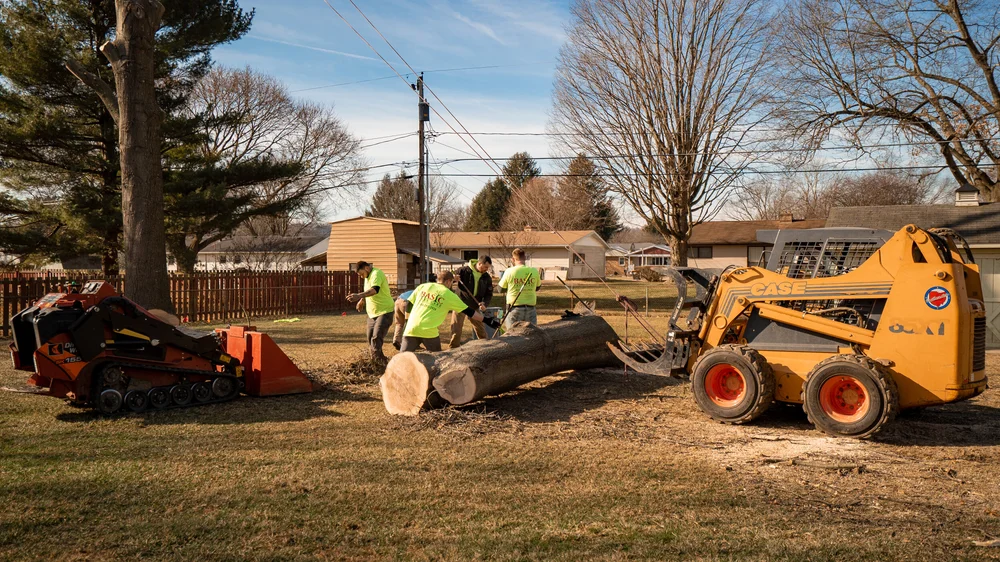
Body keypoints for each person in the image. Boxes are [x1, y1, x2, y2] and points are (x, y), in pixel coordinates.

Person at [400, 271, 499, 352]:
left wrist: (407, 321)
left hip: (411, 329)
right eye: (452, 282)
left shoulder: (423, 287)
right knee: (438, 362)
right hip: (429, 332)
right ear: (448, 281)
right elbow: (470, 312)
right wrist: (488, 321)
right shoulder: (449, 295)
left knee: (401, 360)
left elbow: (409, 304)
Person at [346, 261, 395, 364]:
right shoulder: (367, 276)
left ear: (366, 268)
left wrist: (359, 296)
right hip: (372, 313)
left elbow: (374, 290)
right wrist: (362, 300)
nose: (361, 277)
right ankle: (382, 361)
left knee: (376, 337)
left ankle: (376, 363)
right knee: (370, 338)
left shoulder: (377, 274)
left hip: (384, 311)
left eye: (361, 274)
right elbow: (368, 291)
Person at [449, 256, 494, 347]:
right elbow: (447, 278)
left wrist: (484, 303)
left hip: (474, 305)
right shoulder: (463, 270)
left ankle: (486, 347)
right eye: (485, 267)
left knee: (480, 328)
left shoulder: (486, 277)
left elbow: (488, 293)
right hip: (460, 304)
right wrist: (453, 278)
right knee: (456, 328)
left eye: (488, 268)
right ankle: (453, 347)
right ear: (479, 263)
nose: (486, 269)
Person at [497, 248, 541, 329]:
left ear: (513, 259)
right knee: (532, 335)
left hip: (514, 308)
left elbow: (500, 289)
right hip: (531, 308)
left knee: (512, 336)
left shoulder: (509, 271)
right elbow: (537, 287)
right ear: (525, 258)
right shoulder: (534, 271)